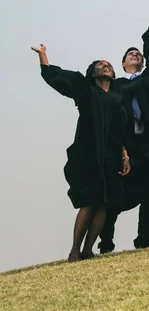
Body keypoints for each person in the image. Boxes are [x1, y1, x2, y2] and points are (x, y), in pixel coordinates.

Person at [31, 44, 131, 262]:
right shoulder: (85, 90)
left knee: (104, 202)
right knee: (89, 200)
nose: (105, 67)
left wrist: (125, 154)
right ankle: (74, 250)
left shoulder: (118, 98)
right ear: (93, 72)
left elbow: (121, 129)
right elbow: (57, 79)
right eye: (100, 65)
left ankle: (88, 249)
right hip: (89, 152)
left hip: (111, 154)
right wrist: (44, 57)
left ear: (113, 74)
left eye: (109, 66)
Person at [99, 0, 149, 253]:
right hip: (123, 147)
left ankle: (144, 242)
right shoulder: (114, 85)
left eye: (138, 54)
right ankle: (105, 241)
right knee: (114, 197)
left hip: (148, 148)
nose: (135, 55)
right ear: (122, 64)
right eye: (130, 54)